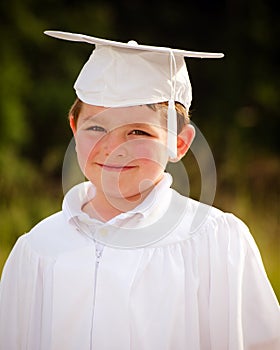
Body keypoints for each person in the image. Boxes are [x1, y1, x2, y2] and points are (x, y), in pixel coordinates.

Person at [0, 30, 279, 350]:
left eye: (138, 131)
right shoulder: (36, 249)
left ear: (179, 142)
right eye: (96, 127)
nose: (114, 148)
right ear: (75, 130)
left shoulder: (217, 242)